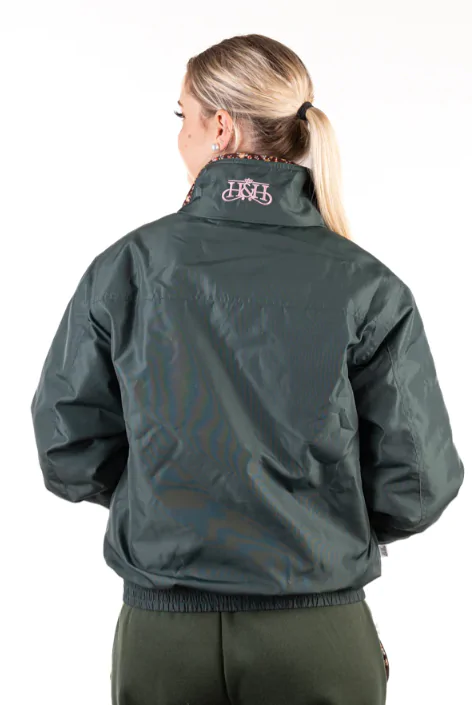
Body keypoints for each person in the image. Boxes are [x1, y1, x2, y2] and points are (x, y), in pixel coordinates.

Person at [31, 34, 464, 705]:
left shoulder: (128, 268)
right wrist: (316, 517)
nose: (179, 136)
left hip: (164, 633)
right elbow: (419, 482)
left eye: (183, 116)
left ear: (221, 128)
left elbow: (68, 446)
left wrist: (167, 493)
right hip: (317, 632)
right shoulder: (367, 285)